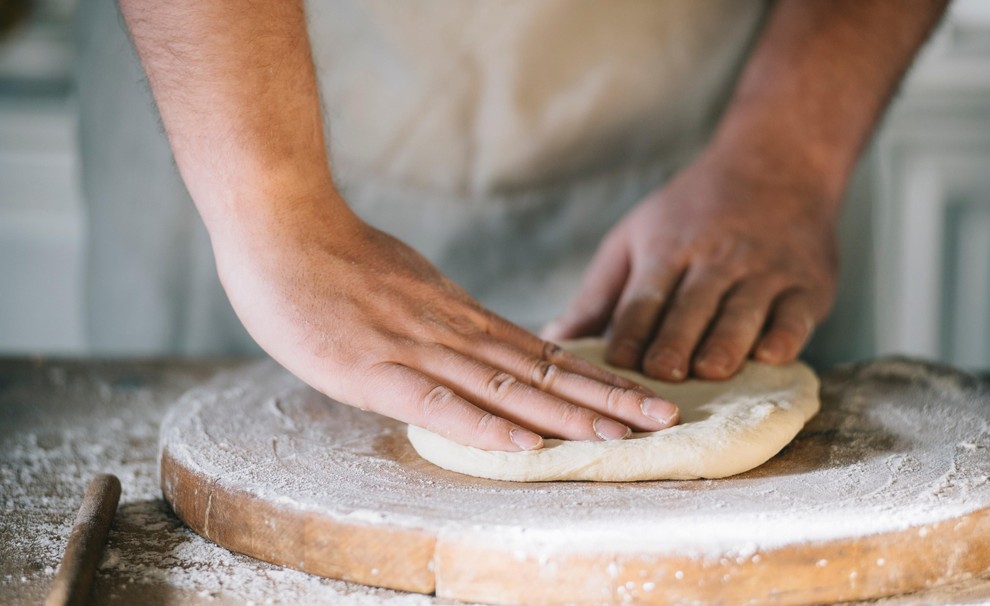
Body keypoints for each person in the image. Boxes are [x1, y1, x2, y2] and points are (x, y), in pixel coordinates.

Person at [76, 0, 947, 451]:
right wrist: (272, 204)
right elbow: (265, 197)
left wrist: (787, 149)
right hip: (233, 94)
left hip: (721, 104)